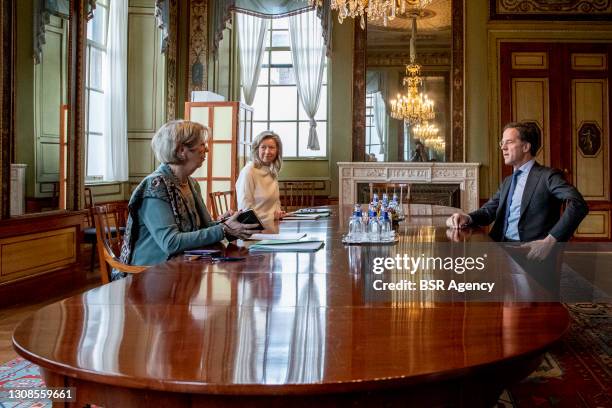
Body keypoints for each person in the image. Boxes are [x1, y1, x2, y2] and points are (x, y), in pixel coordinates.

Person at [118, 120, 258, 278]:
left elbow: (206, 226)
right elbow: (171, 243)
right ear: (181, 150)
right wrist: (223, 229)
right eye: (202, 144)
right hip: (150, 275)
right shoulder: (155, 186)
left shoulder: (191, 183)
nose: (207, 149)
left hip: (183, 267)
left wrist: (229, 223)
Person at [446, 121, 588, 260]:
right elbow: (488, 211)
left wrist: (550, 241)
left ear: (526, 146)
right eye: (502, 143)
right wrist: (467, 217)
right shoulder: (508, 181)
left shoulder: (547, 176)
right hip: (499, 250)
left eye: (509, 142)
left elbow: (578, 203)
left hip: (531, 254)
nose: (503, 148)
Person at [236, 130, 286, 225]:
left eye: (271, 147)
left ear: (277, 151)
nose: (267, 152)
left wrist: (278, 213)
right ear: (257, 149)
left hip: (272, 226)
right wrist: (271, 217)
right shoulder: (248, 171)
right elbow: (245, 211)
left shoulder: (272, 171)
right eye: (263, 147)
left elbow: (276, 203)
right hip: (254, 229)